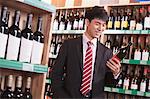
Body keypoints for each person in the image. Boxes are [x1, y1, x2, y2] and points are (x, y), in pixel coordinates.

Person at [51, 6, 121, 99]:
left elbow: (108, 82)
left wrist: (115, 74)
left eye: (103, 25)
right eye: (97, 24)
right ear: (87, 22)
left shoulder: (106, 52)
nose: (100, 28)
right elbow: (56, 74)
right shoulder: (69, 46)